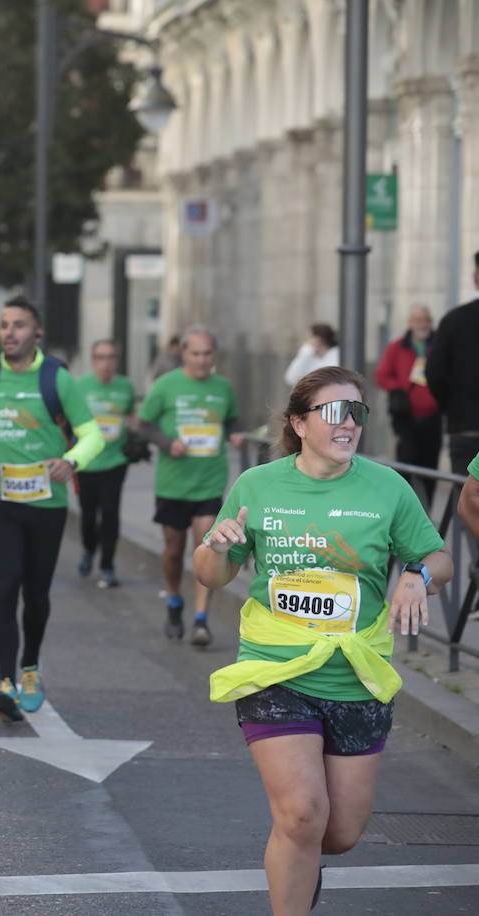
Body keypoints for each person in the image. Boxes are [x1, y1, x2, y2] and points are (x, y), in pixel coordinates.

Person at [193, 366, 449, 915]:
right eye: (334, 412)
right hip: (274, 669)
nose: (348, 424)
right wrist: (215, 543)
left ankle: (301, 857)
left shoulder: (387, 488)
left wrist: (417, 575)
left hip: (356, 674)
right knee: (303, 815)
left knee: (339, 832)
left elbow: (439, 555)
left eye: (357, 412)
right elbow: (212, 575)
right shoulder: (257, 486)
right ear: (298, 423)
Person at [0, 299, 104, 721]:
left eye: (19, 325)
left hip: (45, 503)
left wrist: (71, 460)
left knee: (35, 593)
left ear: (37, 333)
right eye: (4, 325)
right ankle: (5, 683)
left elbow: (92, 434)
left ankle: (30, 666)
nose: (9, 332)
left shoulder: (57, 378)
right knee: (4, 586)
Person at [138, 327, 246, 647]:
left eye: (207, 354)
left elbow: (232, 419)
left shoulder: (222, 387)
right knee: (173, 550)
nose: (201, 360)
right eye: (195, 354)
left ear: (215, 356)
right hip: (173, 484)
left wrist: (236, 433)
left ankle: (201, 619)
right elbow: (144, 423)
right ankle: (174, 600)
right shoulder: (167, 385)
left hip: (210, 481)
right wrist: (167, 443)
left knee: (207, 547)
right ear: (183, 354)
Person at [73, 339, 136, 588]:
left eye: (111, 357)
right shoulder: (79, 387)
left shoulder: (126, 387)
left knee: (110, 513)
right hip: (86, 462)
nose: (106, 363)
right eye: (100, 357)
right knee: (89, 517)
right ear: (92, 361)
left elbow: (130, 415)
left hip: (115, 460)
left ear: (116, 361)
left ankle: (107, 566)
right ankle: (89, 549)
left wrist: (134, 436)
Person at [376, 306, 441, 506]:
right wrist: (399, 389)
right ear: (410, 323)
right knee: (406, 464)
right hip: (405, 416)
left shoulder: (439, 344)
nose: (422, 324)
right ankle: (403, 507)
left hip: (432, 415)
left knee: (430, 466)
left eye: (425, 319)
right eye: (417, 319)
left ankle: (426, 509)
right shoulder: (397, 347)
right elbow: (382, 376)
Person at [425, 251, 479, 474]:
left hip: (465, 425)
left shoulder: (454, 320)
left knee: (466, 500)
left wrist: (451, 406)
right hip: (464, 422)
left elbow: (434, 372)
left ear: (475, 277)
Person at [283, 324, 340, 388]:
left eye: (309, 338)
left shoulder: (336, 356)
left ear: (318, 339)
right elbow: (291, 379)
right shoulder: (313, 358)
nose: (306, 342)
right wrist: (305, 354)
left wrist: (305, 352)